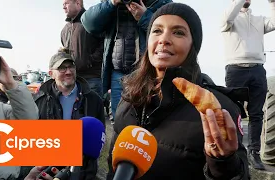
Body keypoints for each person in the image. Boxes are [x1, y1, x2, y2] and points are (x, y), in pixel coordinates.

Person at [106, 3, 250, 179]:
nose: (164, 39)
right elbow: (111, 166)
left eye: (178, 32)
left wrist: (224, 162)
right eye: (157, 31)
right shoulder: (128, 96)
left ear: (193, 46)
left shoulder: (218, 109)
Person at [81, 0, 173, 122]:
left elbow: (169, 33)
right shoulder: (114, 4)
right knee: (120, 119)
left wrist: (144, 16)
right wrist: (112, 3)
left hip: (148, 74)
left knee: (149, 118)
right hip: (118, 75)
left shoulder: (161, 2)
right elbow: (89, 23)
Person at [33, 49, 105, 179]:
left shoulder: (93, 99)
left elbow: (100, 135)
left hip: (84, 172)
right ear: (51, 74)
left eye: (71, 66)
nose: (68, 71)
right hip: (50, 170)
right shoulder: (39, 100)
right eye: (62, 68)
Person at [221, 0, 275, 170]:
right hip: (236, 70)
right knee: (232, 112)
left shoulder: (259, 20)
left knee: (256, 114)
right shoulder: (229, 18)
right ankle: (235, 152)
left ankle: (254, 153)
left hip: (258, 69)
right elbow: (227, 19)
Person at [61, 0, 104, 98]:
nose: (63, 7)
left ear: (77, 3)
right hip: (73, 80)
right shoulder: (64, 30)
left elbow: (104, 42)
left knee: (92, 111)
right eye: (63, 5)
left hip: (92, 78)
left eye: (66, 3)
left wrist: (90, 60)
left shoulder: (92, 21)